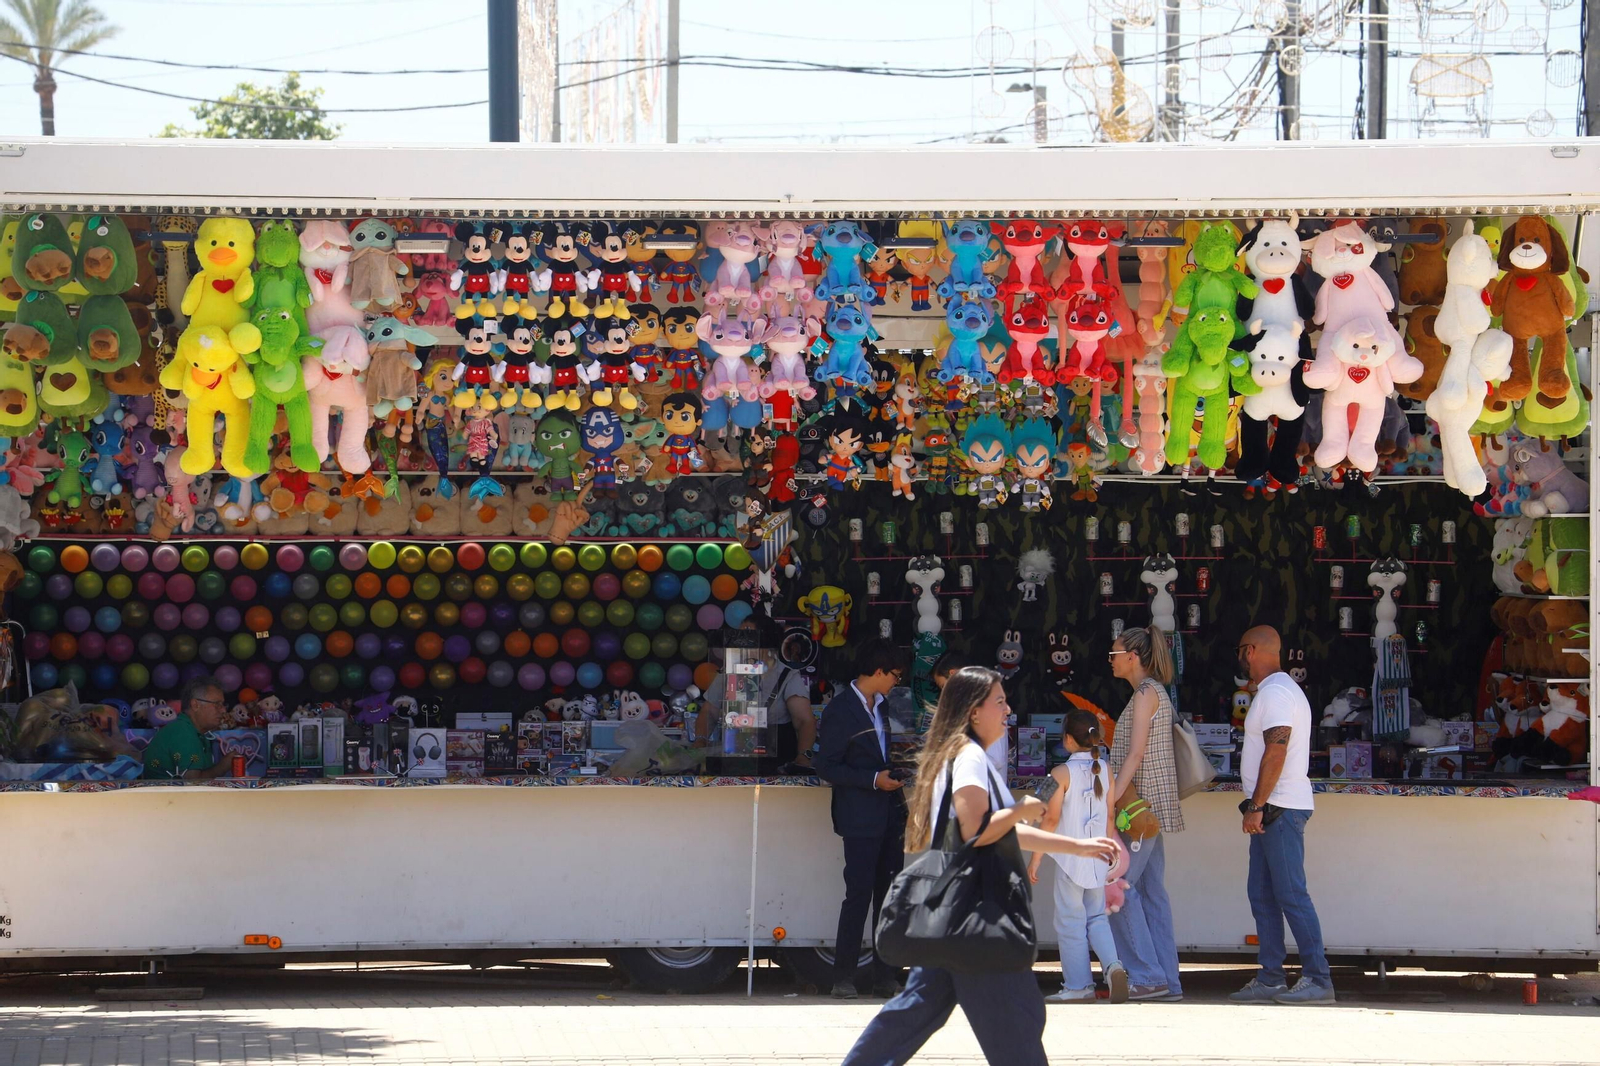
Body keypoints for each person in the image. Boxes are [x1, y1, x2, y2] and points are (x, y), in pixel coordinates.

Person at [841, 667, 1118, 1066]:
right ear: (974, 712)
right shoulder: (969, 757)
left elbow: (1000, 832)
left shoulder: (965, 756)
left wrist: (1075, 845)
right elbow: (978, 831)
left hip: (954, 915)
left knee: (909, 1017)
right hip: (977, 914)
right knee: (1018, 1027)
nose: (1008, 709)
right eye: (1000, 701)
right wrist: (1021, 811)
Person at [1230, 625, 1335, 1006]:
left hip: (1279, 808)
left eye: (1241, 650)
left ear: (1253, 650)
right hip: (1276, 807)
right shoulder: (1280, 691)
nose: (1239, 657)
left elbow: (1276, 751)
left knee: (1290, 894)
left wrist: (1256, 805)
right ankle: (1271, 977)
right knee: (1262, 894)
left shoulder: (1275, 692)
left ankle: (1318, 978)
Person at [815, 637, 906, 999]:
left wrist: (894, 773)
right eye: (895, 675)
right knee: (858, 895)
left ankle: (886, 976)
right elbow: (827, 765)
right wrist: (873, 780)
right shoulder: (840, 709)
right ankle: (844, 976)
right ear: (880, 671)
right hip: (859, 814)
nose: (897, 682)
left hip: (889, 813)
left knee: (889, 897)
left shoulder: (881, 706)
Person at [1106, 624, 1184, 1001]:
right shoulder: (1156, 692)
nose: (1111, 660)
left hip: (1138, 809)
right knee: (1152, 893)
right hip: (1150, 808)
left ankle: (1147, 976)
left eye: (1114, 653)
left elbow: (1134, 755)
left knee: (1117, 887)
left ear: (1132, 657)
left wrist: (1110, 799)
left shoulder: (1144, 695)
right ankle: (1166, 980)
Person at [1030, 709, 1129, 1004]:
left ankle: (1078, 986)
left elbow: (1047, 817)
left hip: (1069, 858)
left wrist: (1036, 858)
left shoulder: (1060, 773)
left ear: (1067, 740)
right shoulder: (1107, 770)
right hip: (1098, 856)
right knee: (1096, 917)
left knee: (1070, 920)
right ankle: (1114, 966)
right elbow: (1110, 815)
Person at [694, 616, 816, 771]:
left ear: (765, 638)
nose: (742, 639)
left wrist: (803, 756)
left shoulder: (788, 675)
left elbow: (804, 721)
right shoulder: (729, 672)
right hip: (734, 762)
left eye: (747, 633)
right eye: (740, 634)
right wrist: (700, 741)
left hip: (775, 765)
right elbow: (708, 712)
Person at [140, 676, 234, 780]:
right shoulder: (184, 733)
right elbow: (191, 785)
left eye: (223, 704)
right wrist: (223, 766)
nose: (223, 711)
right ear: (195, 705)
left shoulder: (192, 731)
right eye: (217, 704)